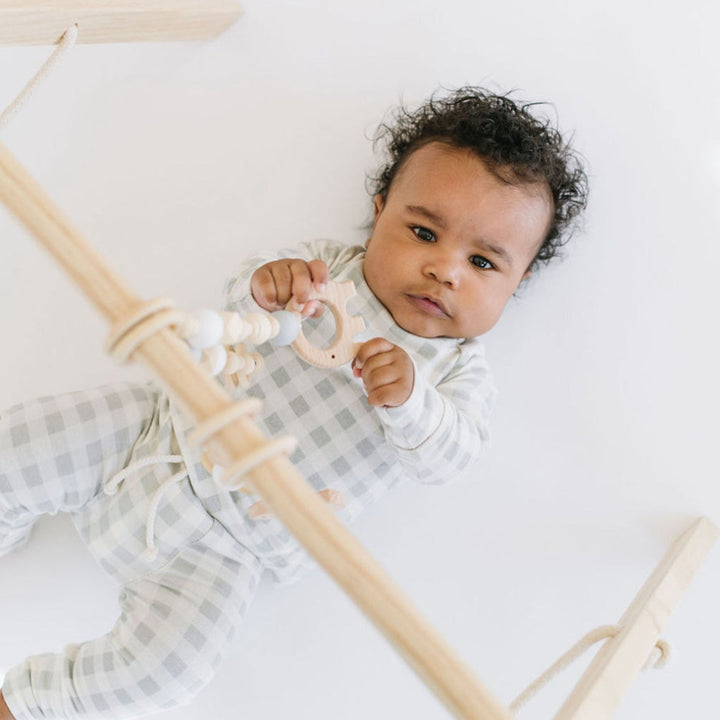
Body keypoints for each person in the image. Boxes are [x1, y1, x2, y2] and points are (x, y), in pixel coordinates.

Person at [0, 87, 588, 720]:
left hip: (236, 544)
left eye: (481, 261)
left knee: (169, 672)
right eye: (422, 232)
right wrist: (266, 286)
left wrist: (412, 402)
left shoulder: (456, 373)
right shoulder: (328, 272)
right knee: (17, 446)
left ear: (518, 280)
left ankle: (28, 704)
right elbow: (242, 299)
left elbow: (450, 458)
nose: (444, 270)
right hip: (157, 430)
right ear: (380, 209)